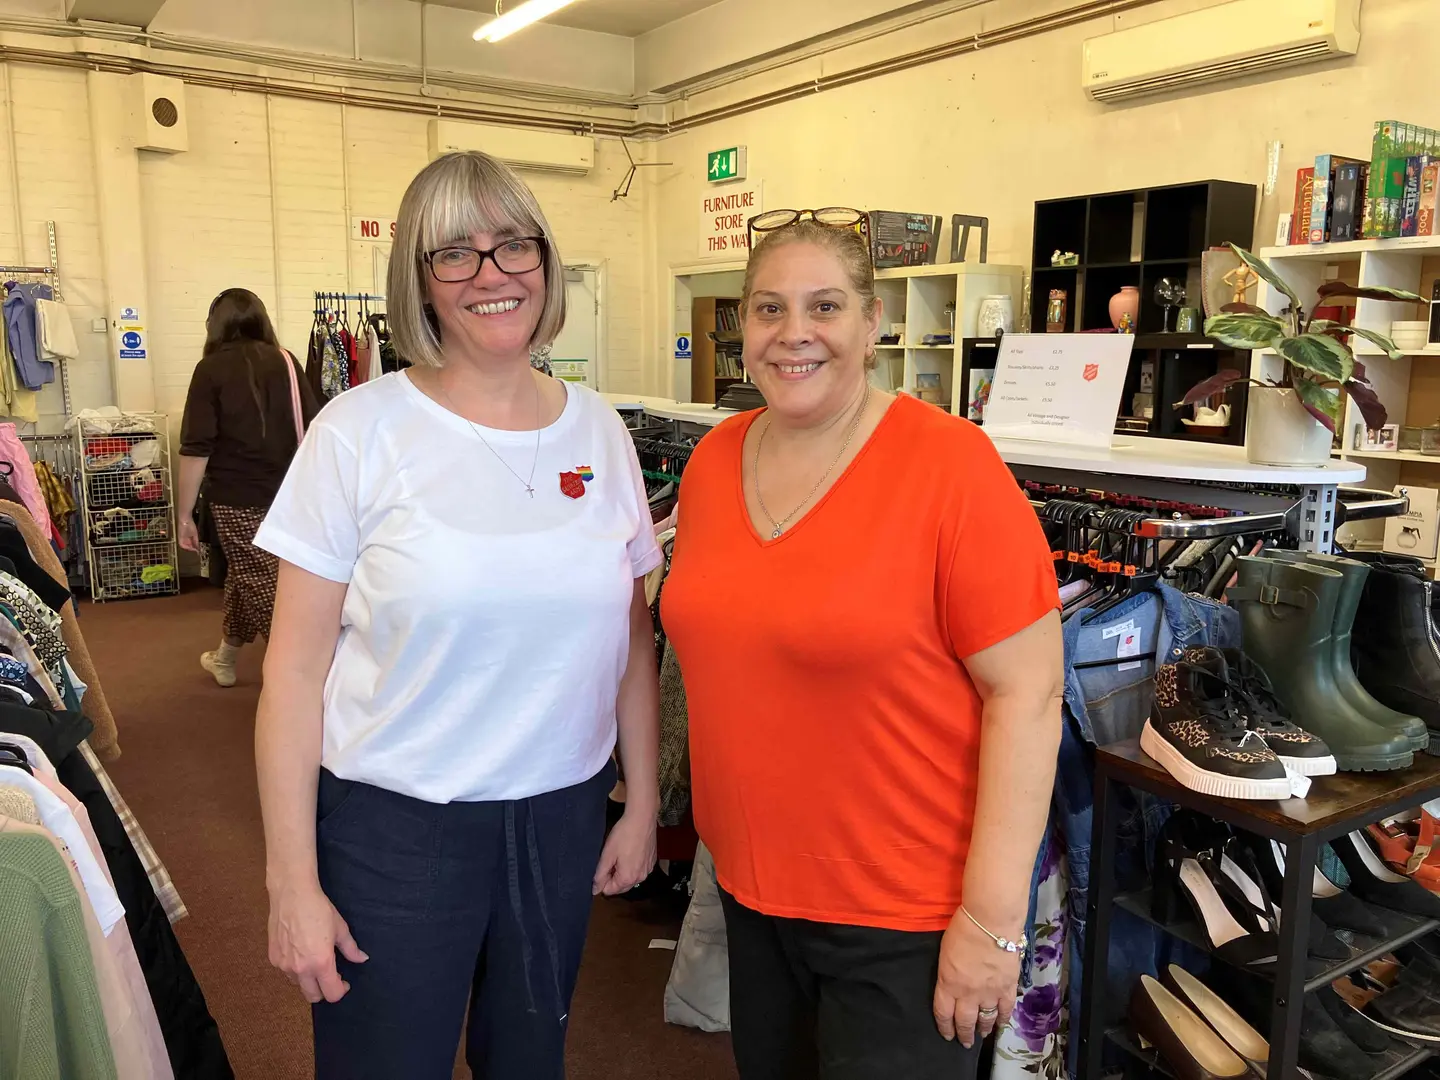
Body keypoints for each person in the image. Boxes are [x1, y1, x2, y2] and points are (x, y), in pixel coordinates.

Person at [251, 150, 662, 1080]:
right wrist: (291, 881)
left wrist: (640, 803)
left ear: (546, 264)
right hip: (396, 827)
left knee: (529, 1061)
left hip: (558, 818)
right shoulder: (355, 432)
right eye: (456, 254)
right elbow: (291, 677)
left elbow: (631, 643)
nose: (492, 274)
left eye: (513, 245)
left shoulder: (600, 428)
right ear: (419, 281)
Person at [661, 215, 1064, 1080]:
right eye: (770, 308)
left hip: (904, 918)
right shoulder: (711, 460)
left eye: (825, 306)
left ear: (872, 320)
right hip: (751, 892)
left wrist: (992, 924)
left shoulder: (951, 465)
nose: (794, 333)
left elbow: (1026, 695)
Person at [178, 288, 318, 687]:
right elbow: (314, 427)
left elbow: (196, 448)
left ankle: (306, 683)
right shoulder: (287, 362)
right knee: (248, 578)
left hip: (237, 498)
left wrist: (185, 514)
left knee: (265, 589)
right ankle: (224, 658)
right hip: (292, 495)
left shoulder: (210, 369)